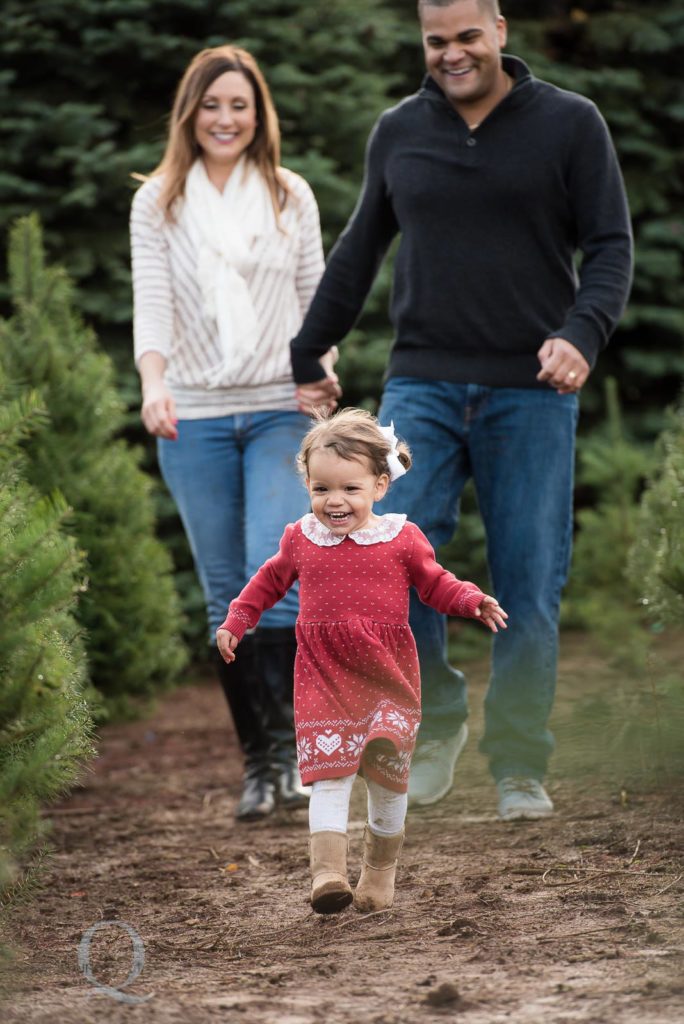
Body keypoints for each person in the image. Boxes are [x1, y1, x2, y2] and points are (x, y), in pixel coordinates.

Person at [290, 0, 633, 820]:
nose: (452, 54)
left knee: (527, 579)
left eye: (467, 37)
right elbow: (361, 245)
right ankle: (435, 717)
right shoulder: (399, 130)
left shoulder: (571, 124)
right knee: (384, 552)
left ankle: (518, 764)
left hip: (533, 391)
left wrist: (583, 333)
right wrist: (309, 350)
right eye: (436, 41)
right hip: (423, 385)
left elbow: (612, 245)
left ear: (501, 31)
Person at [130, 45, 338, 822]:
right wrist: (154, 384)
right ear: (191, 113)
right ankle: (261, 767)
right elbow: (152, 304)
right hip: (195, 417)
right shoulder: (158, 202)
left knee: (274, 576)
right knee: (227, 595)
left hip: (282, 408)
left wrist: (321, 371)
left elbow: (318, 298)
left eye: (239, 105)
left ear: (259, 115)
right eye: (212, 105)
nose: (226, 118)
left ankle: (295, 760)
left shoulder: (291, 195)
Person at [217, 408, 507, 913]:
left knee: (386, 777)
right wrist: (237, 620)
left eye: (350, 489)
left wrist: (470, 600)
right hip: (323, 675)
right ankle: (328, 874)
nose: (334, 501)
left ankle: (378, 874)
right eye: (321, 488)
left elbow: (435, 583)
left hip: (386, 674)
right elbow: (268, 581)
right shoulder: (300, 538)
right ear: (307, 484)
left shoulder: (401, 538)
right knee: (329, 774)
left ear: (379, 485)